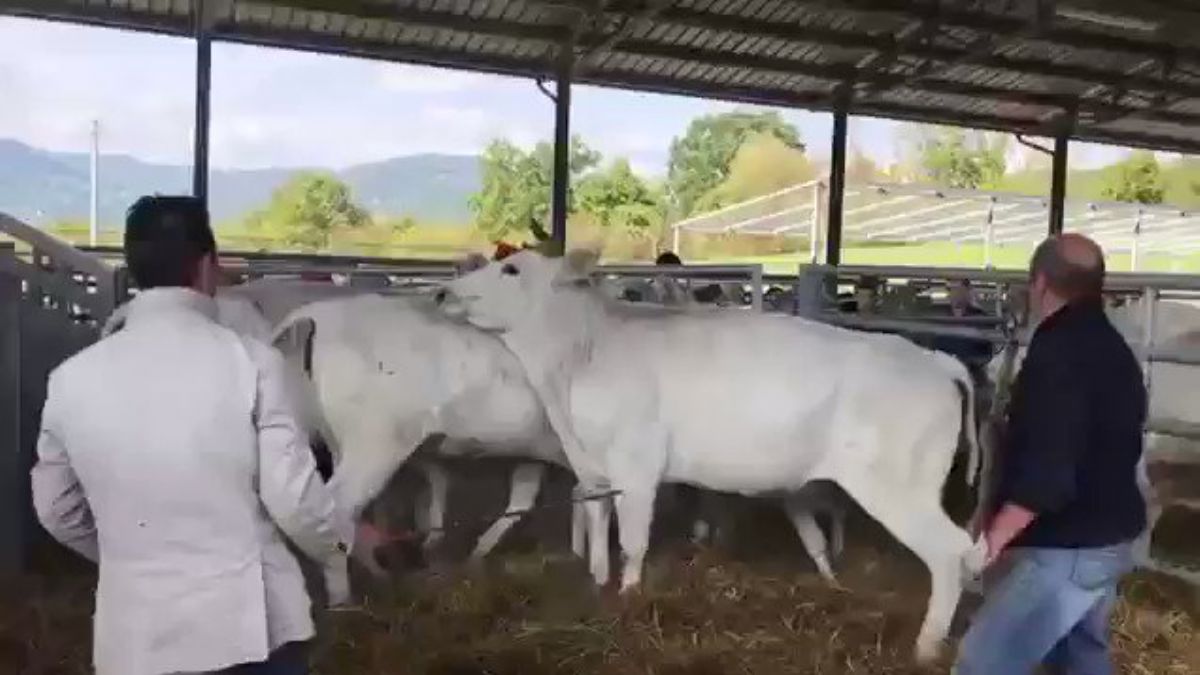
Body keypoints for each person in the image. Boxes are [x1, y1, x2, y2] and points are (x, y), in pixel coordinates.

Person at [30, 196, 354, 675]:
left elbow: (56, 510)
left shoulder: (69, 379)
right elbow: (294, 501)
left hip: (136, 639)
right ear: (208, 265)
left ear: (133, 268)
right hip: (248, 633)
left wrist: (129, 558)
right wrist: (339, 548)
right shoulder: (253, 362)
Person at [955, 233, 1147, 675]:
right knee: (1080, 657)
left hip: (1070, 549)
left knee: (983, 662)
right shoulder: (1113, 349)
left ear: (1040, 283)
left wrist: (994, 538)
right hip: (1110, 538)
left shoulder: (1058, 354)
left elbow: (1049, 472)